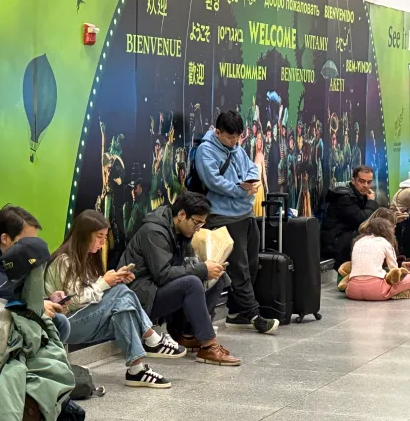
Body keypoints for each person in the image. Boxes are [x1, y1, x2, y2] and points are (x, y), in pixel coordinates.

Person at [46, 210, 183, 389]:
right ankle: (152, 339)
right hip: (64, 323)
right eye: (99, 236)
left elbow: (89, 294)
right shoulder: (64, 261)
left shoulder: (86, 258)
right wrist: (105, 283)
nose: (103, 242)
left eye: (105, 237)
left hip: (82, 320)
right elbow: (76, 300)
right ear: (84, 235)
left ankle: (137, 370)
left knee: (123, 311)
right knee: (120, 292)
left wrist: (110, 281)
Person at [120, 192, 241, 366]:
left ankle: (187, 333)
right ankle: (208, 346)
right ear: (182, 215)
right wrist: (201, 269)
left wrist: (207, 268)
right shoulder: (154, 231)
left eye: (202, 223)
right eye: (197, 222)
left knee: (219, 277)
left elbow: (184, 266)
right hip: (140, 295)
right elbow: (162, 274)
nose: (198, 228)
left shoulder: (181, 232)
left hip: (155, 290)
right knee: (192, 282)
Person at [196, 110, 280, 335]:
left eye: (238, 138)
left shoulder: (237, 148)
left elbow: (252, 167)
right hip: (223, 216)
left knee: (251, 264)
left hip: (245, 214)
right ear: (218, 132)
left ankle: (236, 312)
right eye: (230, 137)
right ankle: (254, 316)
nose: (234, 142)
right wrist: (240, 190)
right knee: (239, 268)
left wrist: (251, 181)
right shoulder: (206, 151)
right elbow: (214, 181)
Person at [0, 205, 71, 344]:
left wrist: (48, 299)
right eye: (25, 242)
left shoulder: (21, 257)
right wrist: (31, 311)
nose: (30, 248)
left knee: (60, 323)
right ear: (5, 238)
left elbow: (19, 293)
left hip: (19, 316)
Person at [322, 165, 380, 270]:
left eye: (369, 182)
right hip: (336, 241)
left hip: (346, 237)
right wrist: (371, 202)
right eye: (362, 181)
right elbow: (361, 220)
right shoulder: (344, 197)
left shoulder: (360, 195)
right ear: (353, 180)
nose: (366, 186)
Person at [346, 218, 410, 301]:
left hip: (352, 290)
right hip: (377, 290)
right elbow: (394, 271)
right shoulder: (385, 242)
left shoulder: (358, 241)